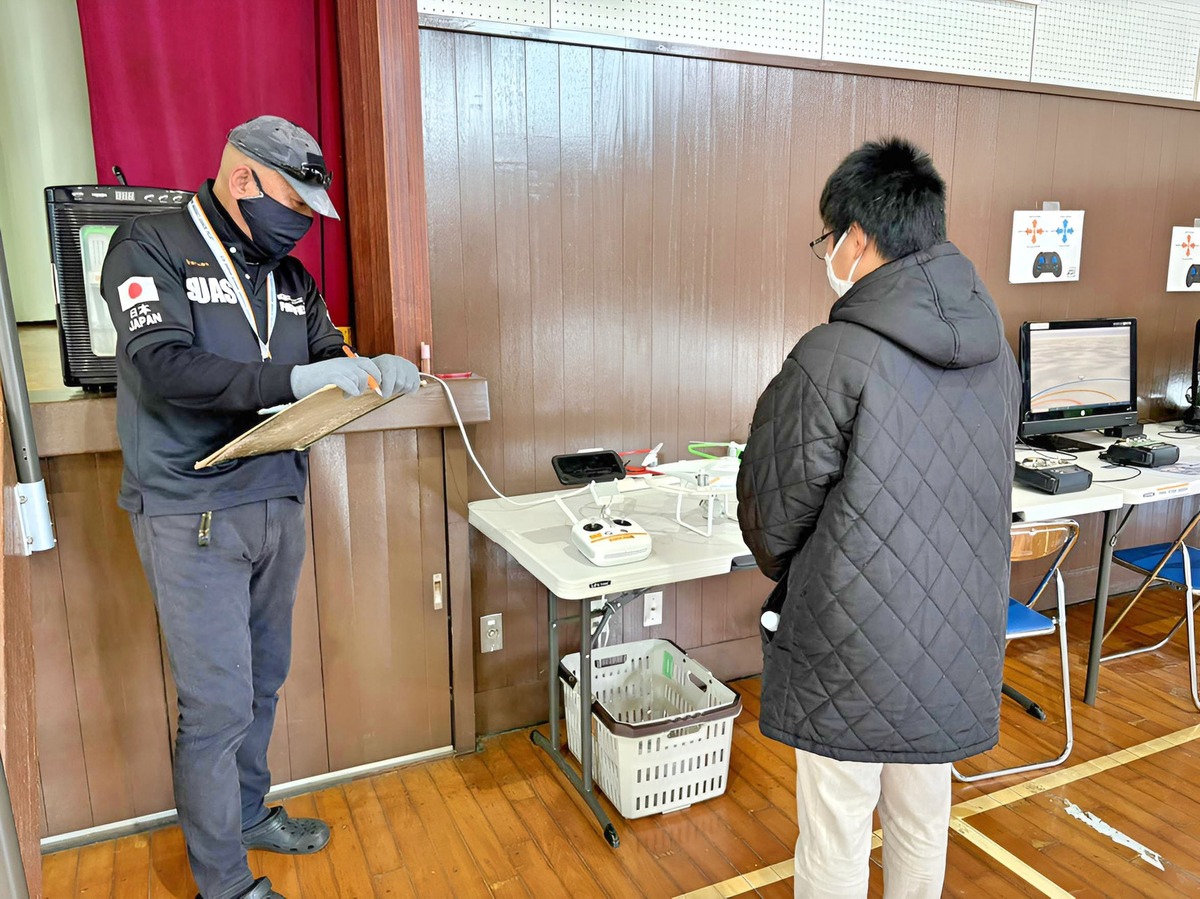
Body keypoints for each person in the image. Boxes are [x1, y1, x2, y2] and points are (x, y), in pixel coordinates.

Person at [101, 115, 421, 899]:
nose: (303, 222)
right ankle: (224, 885)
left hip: (275, 498)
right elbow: (164, 365)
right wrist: (293, 381)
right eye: (295, 202)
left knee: (262, 681)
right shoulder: (149, 244)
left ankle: (245, 814)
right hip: (190, 507)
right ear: (242, 178)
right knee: (216, 704)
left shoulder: (290, 278)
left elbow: (324, 357)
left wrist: (368, 371)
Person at [736, 137, 1018, 898]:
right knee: (923, 818)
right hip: (957, 632)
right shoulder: (998, 353)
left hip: (851, 636)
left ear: (857, 238)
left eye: (829, 238)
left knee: (838, 826)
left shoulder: (832, 355)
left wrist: (798, 571)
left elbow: (771, 515)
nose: (829, 254)